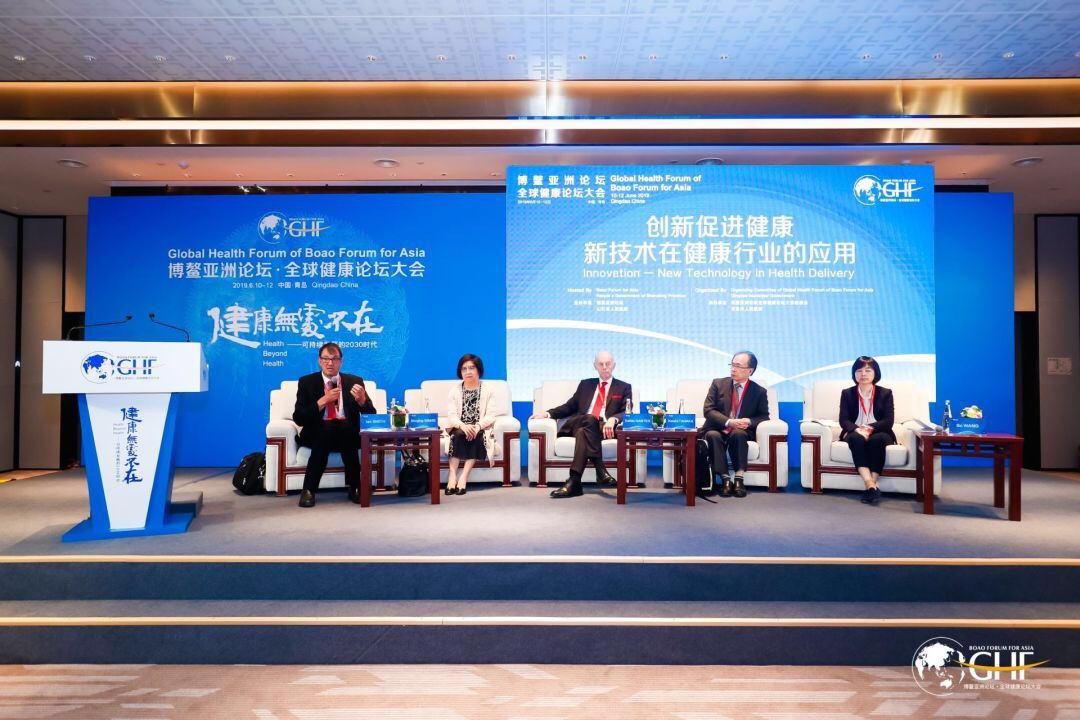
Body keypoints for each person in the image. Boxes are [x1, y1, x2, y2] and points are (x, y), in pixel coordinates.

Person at [531, 351, 632, 499]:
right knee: (590, 419)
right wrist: (547, 414)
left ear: (614, 365)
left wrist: (613, 419)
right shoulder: (586, 384)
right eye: (601, 364)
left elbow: (626, 411)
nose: (605, 367)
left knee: (583, 433)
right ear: (595, 366)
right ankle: (600, 470)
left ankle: (574, 481)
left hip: (602, 428)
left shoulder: (624, 387)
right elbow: (569, 406)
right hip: (580, 421)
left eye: (608, 364)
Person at [293, 341, 377, 507]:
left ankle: (354, 487)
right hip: (318, 435)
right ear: (319, 361)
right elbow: (299, 418)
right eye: (326, 359)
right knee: (327, 427)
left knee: (345, 428)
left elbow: (371, 415)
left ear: (341, 361)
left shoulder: (354, 381)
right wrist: (322, 401)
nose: (330, 363)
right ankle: (309, 489)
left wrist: (362, 401)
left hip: (347, 435)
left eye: (334, 359)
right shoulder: (307, 382)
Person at [700, 351, 770, 498]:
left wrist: (749, 421)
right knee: (712, 435)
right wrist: (729, 422)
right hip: (718, 427)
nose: (733, 369)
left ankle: (739, 478)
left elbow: (764, 416)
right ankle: (725, 479)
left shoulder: (759, 391)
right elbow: (708, 410)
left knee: (738, 434)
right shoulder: (718, 384)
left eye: (738, 366)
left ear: (750, 371)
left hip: (741, 430)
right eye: (732, 365)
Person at [839, 356, 895, 506]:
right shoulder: (847, 393)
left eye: (868, 370)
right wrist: (857, 429)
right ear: (854, 374)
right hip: (856, 431)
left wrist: (868, 428)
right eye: (859, 370)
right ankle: (870, 484)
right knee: (856, 438)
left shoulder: (885, 393)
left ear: (875, 373)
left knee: (877, 440)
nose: (863, 374)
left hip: (879, 431)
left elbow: (888, 421)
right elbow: (844, 420)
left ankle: (871, 487)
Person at [445, 353, 498, 496]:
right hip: (459, 426)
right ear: (460, 372)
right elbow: (451, 415)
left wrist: (478, 426)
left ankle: (463, 478)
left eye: (471, 368)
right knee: (458, 435)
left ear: (478, 370)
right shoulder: (455, 390)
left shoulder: (488, 389)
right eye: (464, 369)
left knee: (477, 436)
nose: (468, 372)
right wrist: (462, 426)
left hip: (479, 427)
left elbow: (491, 415)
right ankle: (452, 476)